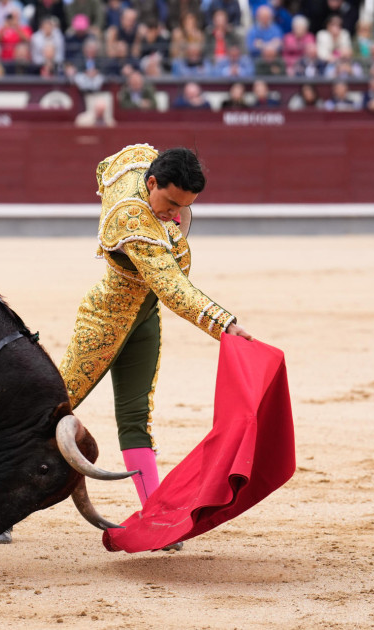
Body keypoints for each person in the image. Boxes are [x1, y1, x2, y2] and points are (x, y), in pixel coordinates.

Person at [58, 145, 253, 528]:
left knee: (136, 418)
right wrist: (224, 323)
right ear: (151, 182)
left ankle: (157, 516)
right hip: (105, 319)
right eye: (168, 202)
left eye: (183, 206)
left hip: (143, 318)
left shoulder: (137, 160)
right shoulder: (134, 220)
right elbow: (172, 288)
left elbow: (105, 167)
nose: (174, 215)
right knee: (54, 407)